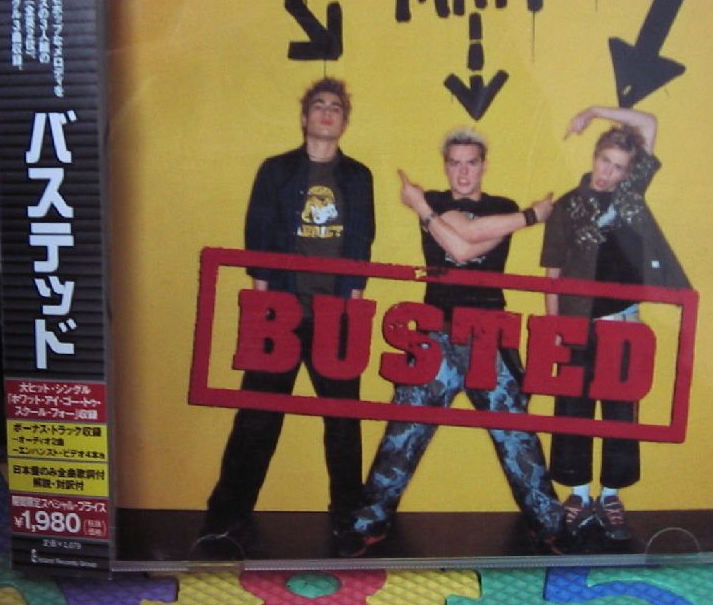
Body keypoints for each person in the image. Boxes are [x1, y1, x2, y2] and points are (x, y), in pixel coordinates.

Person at [338, 127, 561, 556]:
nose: (462, 172)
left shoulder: (500, 207)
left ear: (484, 166)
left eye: (471, 163)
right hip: (435, 332)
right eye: (455, 163)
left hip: (489, 334)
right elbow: (461, 247)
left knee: (517, 434)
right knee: (404, 430)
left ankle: (550, 525)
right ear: (445, 166)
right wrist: (532, 215)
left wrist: (427, 213)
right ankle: (368, 524)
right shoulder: (437, 202)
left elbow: (466, 242)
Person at [201, 78, 375, 556]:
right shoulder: (276, 171)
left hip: (335, 315)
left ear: (344, 121)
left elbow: (361, 242)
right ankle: (226, 519)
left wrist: (352, 309)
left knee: (344, 424)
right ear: (304, 117)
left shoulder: (358, 176)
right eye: (318, 105)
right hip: (279, 312)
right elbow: (257, 237)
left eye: (335, 107)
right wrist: (262, 311)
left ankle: (347, 521)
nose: (326, 112)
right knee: (257, 419)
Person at [539, 105, 689, 544]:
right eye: (605, 160)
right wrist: (555, 330)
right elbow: (552, 275)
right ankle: (578, 494)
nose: (608, 172)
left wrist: (593, 111)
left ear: (628, 172)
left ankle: (610, 496)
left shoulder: (629, 196)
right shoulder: (568, 206)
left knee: (620, 411)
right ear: (594, 156)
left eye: (619, 167)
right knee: (573, 409)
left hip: (623, 323)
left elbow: (650, 123)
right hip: (577, 323)